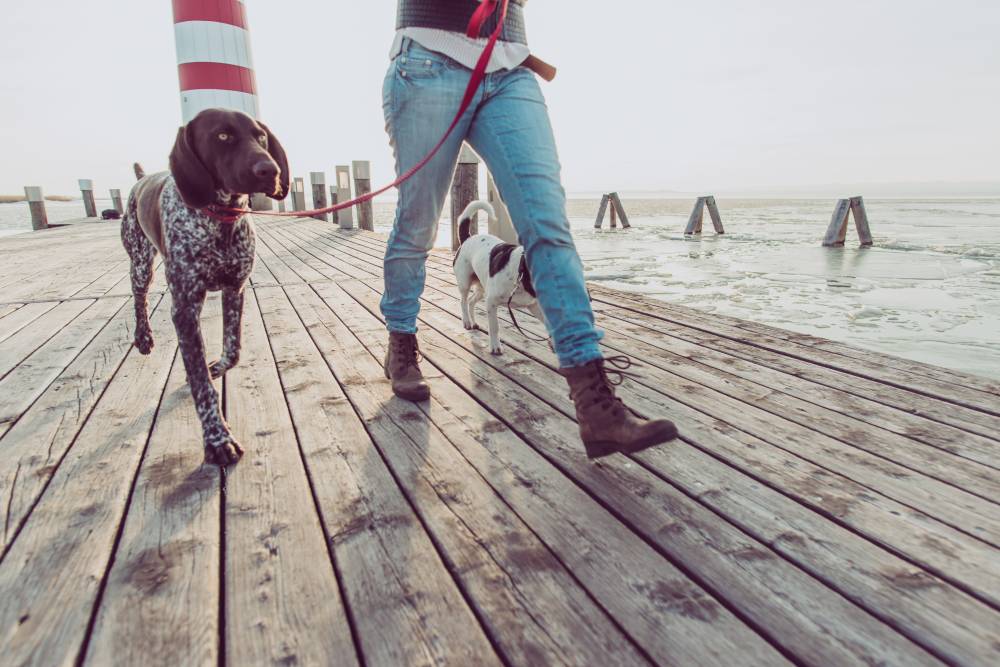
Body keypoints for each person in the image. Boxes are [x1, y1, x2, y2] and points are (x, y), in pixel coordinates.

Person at [380, 0, 677, 457]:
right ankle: (401, 342)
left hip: (510, 66)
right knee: (417, 226)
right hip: (425, 61)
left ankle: (594, 401)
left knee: (548, 227)